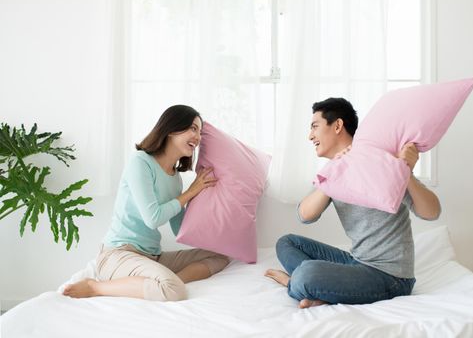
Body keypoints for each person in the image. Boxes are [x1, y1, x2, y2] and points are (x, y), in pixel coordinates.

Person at [265, 97, 441, 309]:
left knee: (306, 273)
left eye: (315, 126)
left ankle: (296, 284)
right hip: (357, 262)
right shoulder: (334, 171)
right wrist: (335, 172)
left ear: (337, 125)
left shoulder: (378, 161)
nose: (310, 135)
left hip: (390, 277)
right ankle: (322, 288)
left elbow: (432, 212)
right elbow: (304, 215)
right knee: (287, 242)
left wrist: (406, 172)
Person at [63, 105, 230, 301]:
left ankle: (163, 280)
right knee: (174, 291)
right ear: (172, 128)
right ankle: (95, 287)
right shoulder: (141, 162)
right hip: (118, 254)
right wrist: (191, 192)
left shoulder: (175, 179)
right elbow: (153, 218)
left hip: (152, 257)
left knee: (220, 256)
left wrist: (212, 216)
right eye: (193, 128)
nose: (198, 137)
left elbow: (179, 230)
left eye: (200, 132)